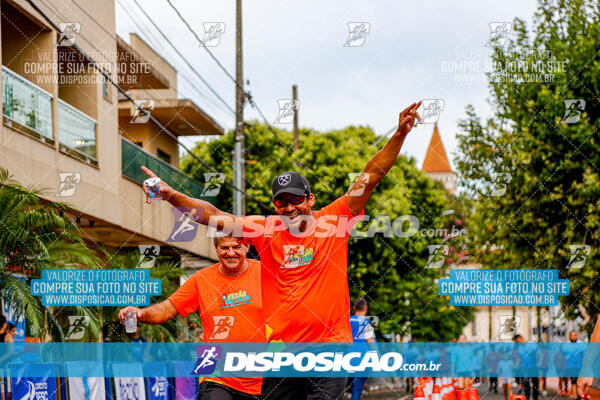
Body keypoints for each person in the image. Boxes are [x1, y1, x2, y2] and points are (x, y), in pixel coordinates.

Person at [141, 102, 422, 399]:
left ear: (310, 199)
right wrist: (170, 194)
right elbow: (210, 216)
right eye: (282, 202)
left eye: (296, 200)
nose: (290, 208)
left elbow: (371, 175)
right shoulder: (266, 230)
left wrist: (400, 134)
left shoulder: (335, 220)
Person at [119, 236, 265, 400]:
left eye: (236, 247)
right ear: (215, 247)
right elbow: (167, 308)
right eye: (224, 248)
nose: (231, 253)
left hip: (261, 374)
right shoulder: (201, 279)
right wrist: (141, 313)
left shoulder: (266, 273)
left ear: (246, 246)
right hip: (215, 373)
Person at [349, 297, 376, 400]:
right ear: (366, 308)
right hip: (362, 361)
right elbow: (370, 342)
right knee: (356, 391)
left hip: (345, 359)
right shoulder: (366, 323)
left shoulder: (346, 321)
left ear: (354, 308)